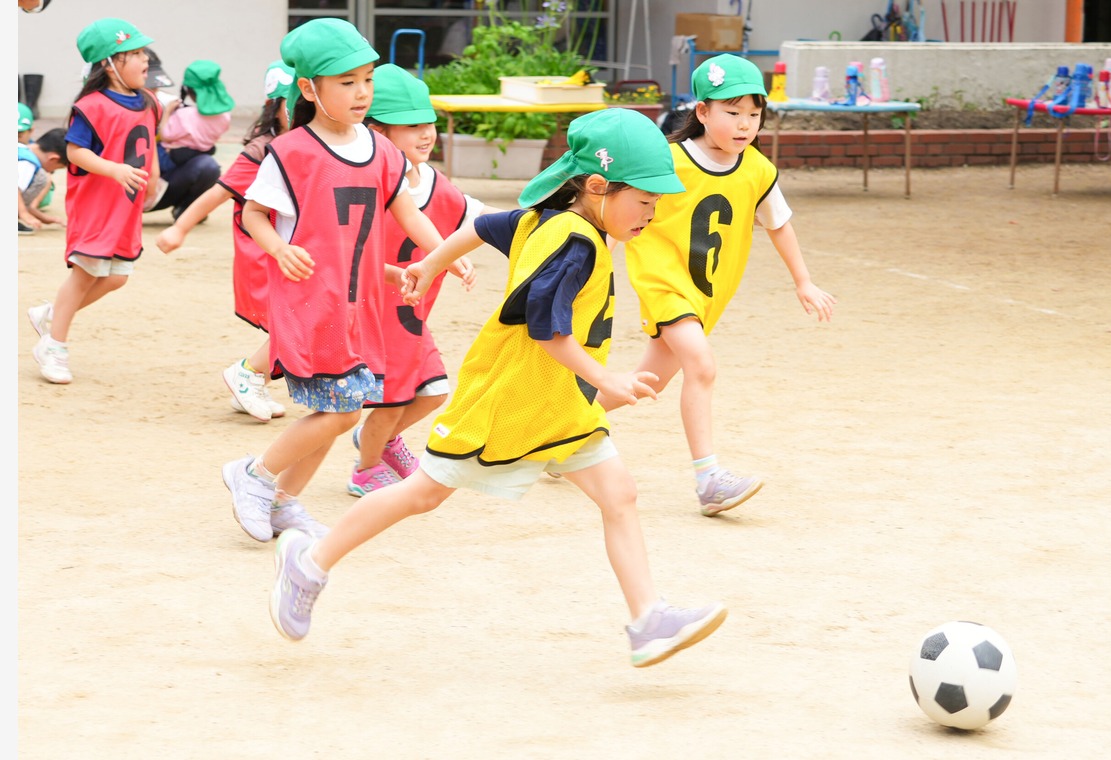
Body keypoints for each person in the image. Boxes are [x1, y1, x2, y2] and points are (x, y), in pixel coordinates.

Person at [268, 107, 729, 669]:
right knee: (424, 494)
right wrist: (607, 377)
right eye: (645, 201)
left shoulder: (548, 219)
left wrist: (431, 265)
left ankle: (648, 620)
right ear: (599, 187)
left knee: (620, 495)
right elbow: (546, 331)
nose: (651, 214)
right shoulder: (575, 243)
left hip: (558, 408)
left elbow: (480, 227)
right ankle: (309, 562)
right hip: (509, 403)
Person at [221, 19, 455, 542]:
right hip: (313, 304)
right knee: (339, 411)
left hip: (362, 305)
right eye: (346, 81)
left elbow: (409, 212)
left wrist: (443, 254)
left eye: (366, 79)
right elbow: (254, 213)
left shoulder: (382, 150)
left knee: (339, 409)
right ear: (309, 88)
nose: (361, 92)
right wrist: (279, 249)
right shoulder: (293, 152)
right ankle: (254, 476)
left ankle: (282, 501)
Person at [607, 54, 836, 517]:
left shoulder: (757, 170)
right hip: (664, 283)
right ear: (702, 112)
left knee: (646, 382)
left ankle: (557, 429)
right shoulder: (666, 160)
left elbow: (779, 225)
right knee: (702, 366)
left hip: (707, 295)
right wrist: (591, 266)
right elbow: (618, 214)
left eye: (754, 114)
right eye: (732, 112)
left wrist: (804, 282)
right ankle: (709, 479)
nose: (744, 124)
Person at [347, 63, 490, 496]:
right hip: (374, 317)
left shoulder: (432, 181)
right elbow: (346, 255)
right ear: (378, 131)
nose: (426, 133)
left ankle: (380, 440)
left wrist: (457, 258)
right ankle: (365, 468)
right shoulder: (365, 183)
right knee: (390, 404)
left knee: (432, 394)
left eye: (429, 123)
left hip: (411, 319)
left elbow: (476, 218)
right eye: (411, 126)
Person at [156, 60, 295, 423]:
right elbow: (219, 194)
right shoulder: (263, 150)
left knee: (298, 320)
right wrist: (180, 228)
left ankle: (251, 381)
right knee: (296, 320)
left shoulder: (312, 144)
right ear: (273, 107)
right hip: (267, 252)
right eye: (289, 101)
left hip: (296, 248)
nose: (298, 109)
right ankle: (247, 375)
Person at [27, 17, 161, 385]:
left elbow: (152, 141)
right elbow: (76, 152)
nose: (144, 59)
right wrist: (114, 170)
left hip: (127, 206)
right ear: (108, 64)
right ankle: (53, 345)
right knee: (86, 272)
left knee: (117, 277)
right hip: (96, 205)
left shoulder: (148, 101)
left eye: (143, 51)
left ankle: (51, 314)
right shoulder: (91, 105)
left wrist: (154, 175)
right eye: (133, 53)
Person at [149, 59, 233, 220]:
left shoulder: (184, 116)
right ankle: (188, 207)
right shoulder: (225, 117)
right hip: (194, 158)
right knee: (210, 165)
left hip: (167, 159)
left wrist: (168, 112)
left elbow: (165, 134)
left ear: (189, 90)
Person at [18, 126, 67, 235]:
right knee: (41, 177)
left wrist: (45, 218)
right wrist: (23, 214)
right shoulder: (28, 163)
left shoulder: (22, 148)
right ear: (53, 159)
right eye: (58, 167)